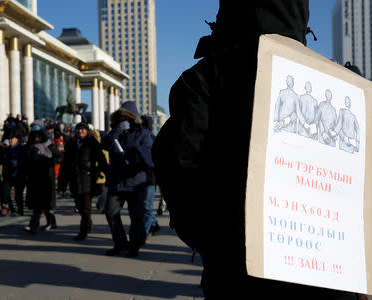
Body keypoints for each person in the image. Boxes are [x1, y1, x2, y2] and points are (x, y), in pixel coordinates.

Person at [152, 1, 359, 299]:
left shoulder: (205, 76)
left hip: (236, 268)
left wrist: (212, 244)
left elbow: (177, 163)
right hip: (328, 270)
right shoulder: (345, 85)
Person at [102, 101, 154, 257]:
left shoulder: (143, 133)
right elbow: (104, 145)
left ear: (133, 117)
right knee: (110, 211)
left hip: (136, 182)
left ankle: (134, 245)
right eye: (121, 116)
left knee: (136, 216)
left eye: (126, 116)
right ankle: (120, 242)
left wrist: (134, 154)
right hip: (117, 181)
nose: (123, 119)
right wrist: (116, 132)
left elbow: (149, 155)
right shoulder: (115, 131)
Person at [60, 122, 108, 241]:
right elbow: (65, 163)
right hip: (74, 179)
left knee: (86, 207)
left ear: (87, 131)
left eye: (83, 129)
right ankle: (88, 223)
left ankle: (84, 230)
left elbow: (101, 159)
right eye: (78, 129)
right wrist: (62, 182)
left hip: (88, 179)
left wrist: (106, 173)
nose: (80, 131)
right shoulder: (71, 143)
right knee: (80, 207)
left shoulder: (92, 142)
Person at [23, 120, 61, 234]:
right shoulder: (30, 146)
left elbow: (60, 156)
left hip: (46, 177)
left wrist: (51, 162)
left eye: (39, 135)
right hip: (34, 178)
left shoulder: (49, 144)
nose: (36, 138)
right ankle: (51, 222)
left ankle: (33, 226)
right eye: (34, 135)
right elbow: (26, 161)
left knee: (41, 204)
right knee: (40, 204)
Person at [140, 115, 160, 235]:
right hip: (139, 179)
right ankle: (154, 224)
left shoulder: (153, 140)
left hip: (149, 179)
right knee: (144, 207)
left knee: (147, 207)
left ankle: (143, 233)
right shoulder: (137, 138)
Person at [2, 131, 26, 216]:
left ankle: (20, 210)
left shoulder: (21, 149)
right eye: (9, 138)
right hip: (8, 175)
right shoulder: (7, 149)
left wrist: (16, 164)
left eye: (12, 138)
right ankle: (11, 208)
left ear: (17, 139)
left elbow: (23, 162)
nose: (10, 140)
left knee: (18, 195)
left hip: (18, 175)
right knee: (5, 192)